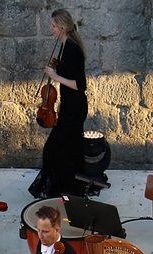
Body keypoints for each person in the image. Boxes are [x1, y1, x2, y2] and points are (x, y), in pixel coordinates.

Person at [30, 9, 87, 198]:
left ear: (62, 27)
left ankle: (64, 188)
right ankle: (69, 188)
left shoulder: (72, 49)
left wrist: (55, 76)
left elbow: (80, 85)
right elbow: (69, 76)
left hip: (75, 108)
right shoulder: (64, 46)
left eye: (54, 26)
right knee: (69, 148)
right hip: (69, 105)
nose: (51, 28)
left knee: (53, 148)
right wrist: (62, 100)